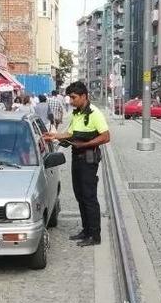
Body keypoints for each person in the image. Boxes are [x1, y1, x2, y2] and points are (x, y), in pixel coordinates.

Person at [42, 81, 110, 247]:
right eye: (70, 98)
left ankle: (94, 235)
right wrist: (55, 136)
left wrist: (85, 145)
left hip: (88, 159)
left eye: (73, 98)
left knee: (89, 197)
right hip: (77, 158)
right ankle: (86, 230)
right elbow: (70, 134)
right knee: (80, 196)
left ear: (84, 96)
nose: (70, 101)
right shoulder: (76, 114)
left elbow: (106, 136)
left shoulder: (95, 113)